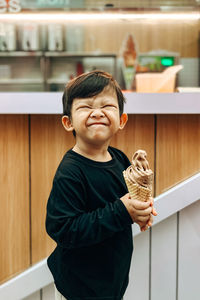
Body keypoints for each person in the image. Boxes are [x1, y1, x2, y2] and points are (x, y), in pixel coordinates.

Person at [45, 70, 157, 300]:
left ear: (122, 120)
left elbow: (128, 203)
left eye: (107, 106)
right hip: (78, 287)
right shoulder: (70, 172)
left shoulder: (120, 159)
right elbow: (63, 230)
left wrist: (141, 210)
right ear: (68, 122)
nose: (97, 113)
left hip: (110, 281)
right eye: (85, 107)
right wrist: (121, 211)